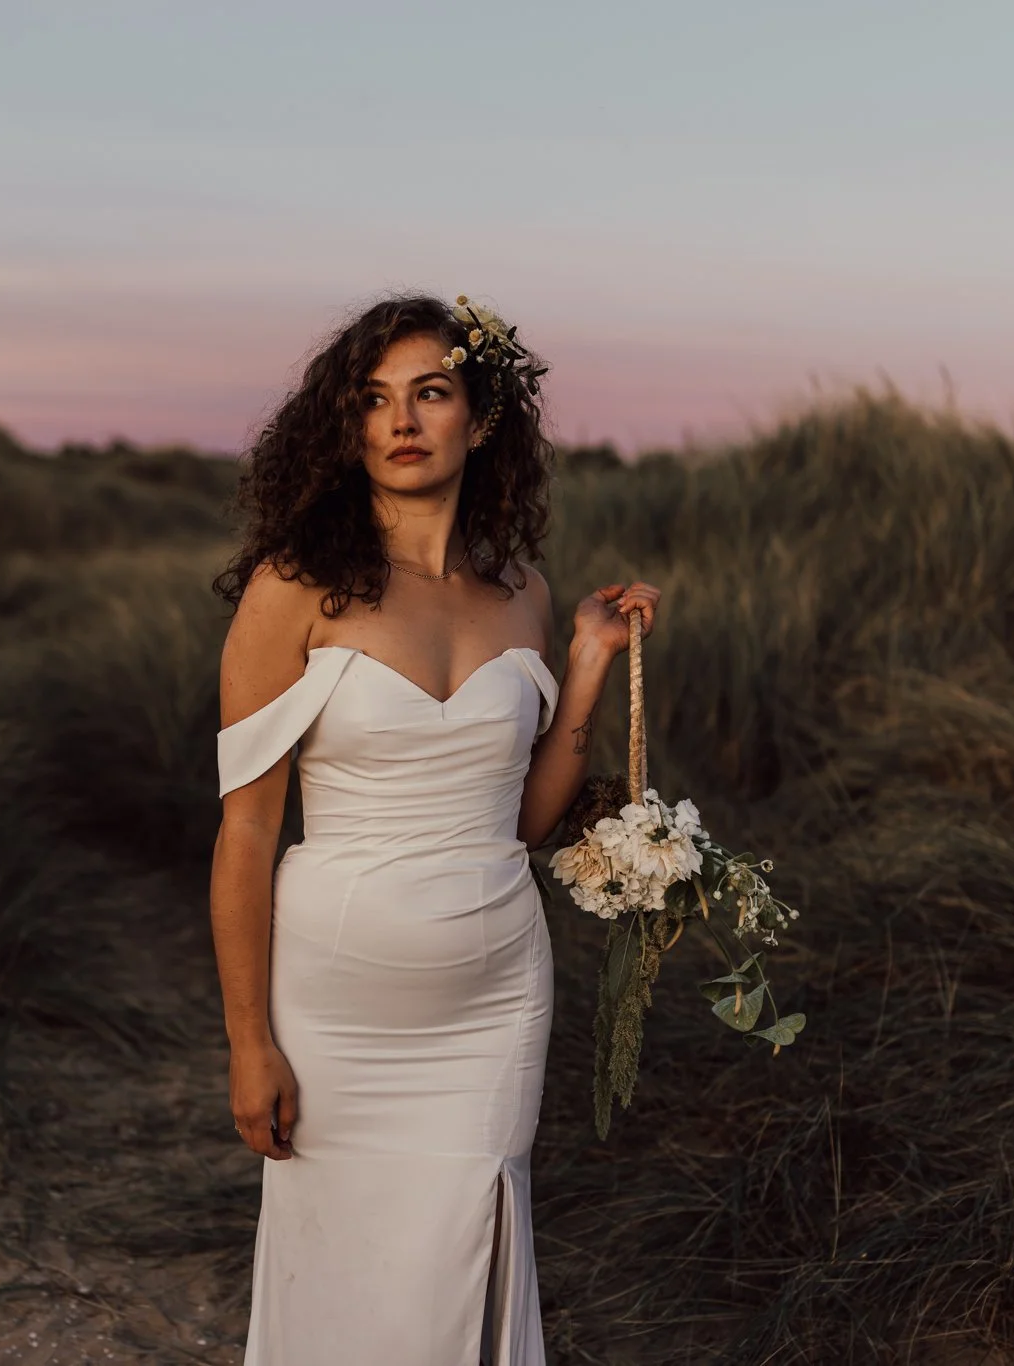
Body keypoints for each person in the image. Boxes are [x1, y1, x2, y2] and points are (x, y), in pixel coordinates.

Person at [210, 293, 661, 1366]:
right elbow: (245, 834)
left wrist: (587, 662)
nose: (401, 421)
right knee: (342, 1267)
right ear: (347, 425)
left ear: (481, 415)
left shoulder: (525, 593)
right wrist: (248, 1042)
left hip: (494, 997)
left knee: (469, 1247)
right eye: (373, 400)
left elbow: (523, 819)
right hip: (335, 1005)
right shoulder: (293, 590)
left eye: (430, 392)